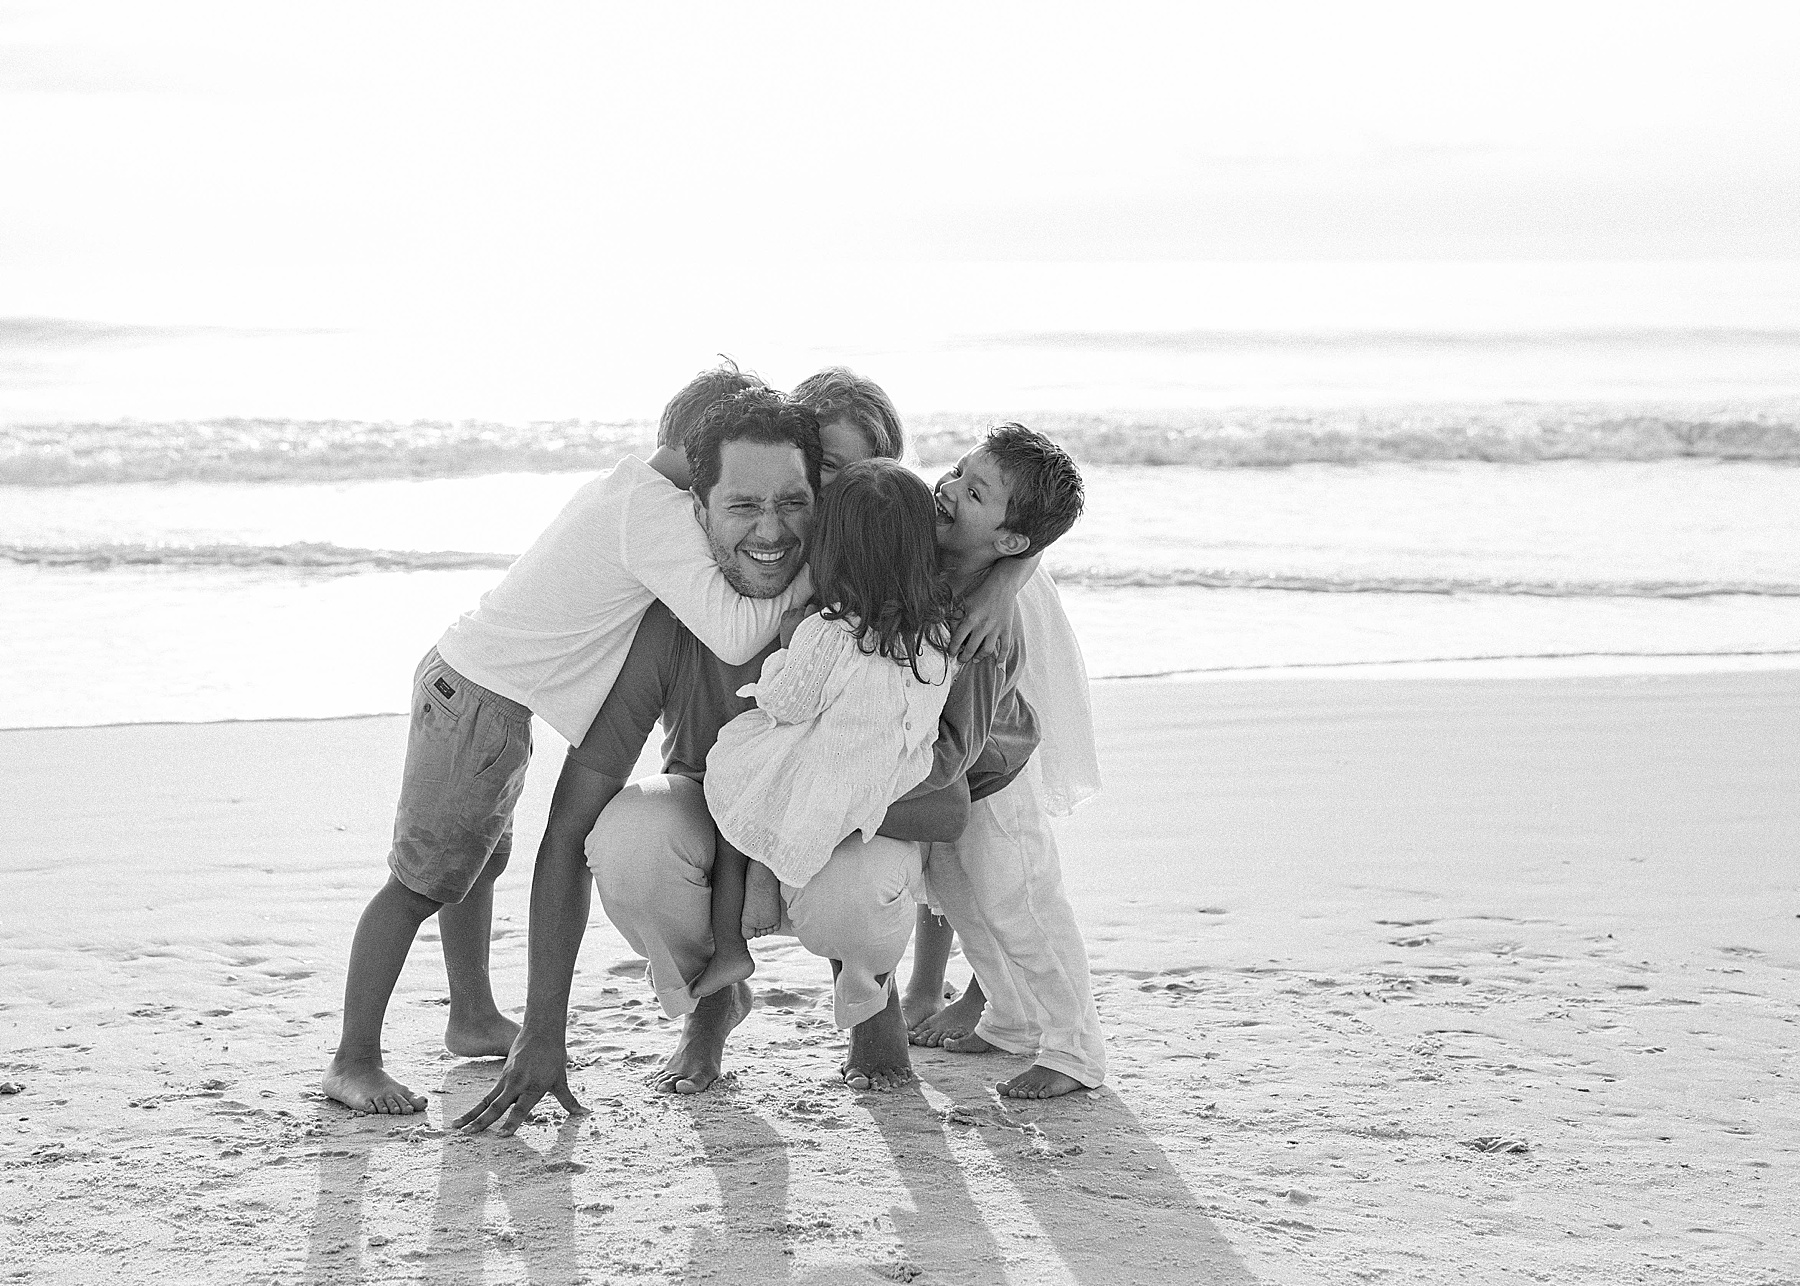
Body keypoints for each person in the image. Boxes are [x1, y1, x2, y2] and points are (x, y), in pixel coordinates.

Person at [453, 389, 1039, 1134]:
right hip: (717, 837)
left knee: (858, 891)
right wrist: (544, 1034)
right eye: (747, 505)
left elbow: (1014, 520)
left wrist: (1016, 573)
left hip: (841, 852)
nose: (778, 527)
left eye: (804, 498)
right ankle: (712, 1002)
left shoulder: (902, 611)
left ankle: (871, 994)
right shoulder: (677, 610)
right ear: (697, 506)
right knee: (626, 835)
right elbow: (568, 825)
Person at [320, 362, 810, 1116]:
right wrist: (811, 576)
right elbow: (739, 626)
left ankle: (472, 1015)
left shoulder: (625, 488)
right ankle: (353, 1058)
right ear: (696, 459)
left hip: (480, 691)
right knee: (421, 882)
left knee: (476, 863)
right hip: (480, 699)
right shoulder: (654, 514)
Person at [691, 458, 960, 1000]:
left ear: (830, 549)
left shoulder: (828, 631)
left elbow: (791, 704)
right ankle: (859, 980)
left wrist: (784, 653)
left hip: (826, 774)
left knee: (735, 774)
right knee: (783, 781)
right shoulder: (939, 634)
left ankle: (730, 942)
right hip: (885, 778)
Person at [906, 424, 1108, 1099]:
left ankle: (1075, 1049)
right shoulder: (934, 558)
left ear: (1011, 542)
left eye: (974, 491)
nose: (950, 489)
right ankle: (1013, 1018)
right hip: (946, 773)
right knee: (962, 902)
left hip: (995, 774)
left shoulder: (996, 612)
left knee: (1021, 903)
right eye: (960, 473)